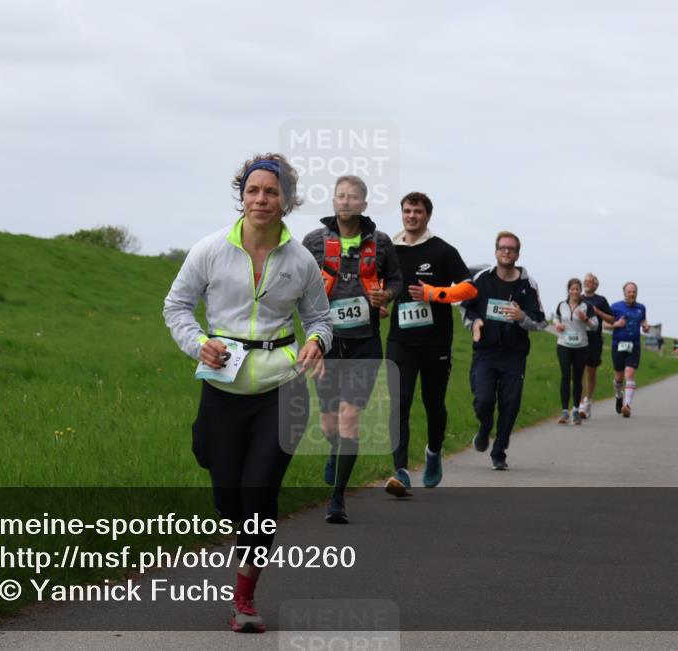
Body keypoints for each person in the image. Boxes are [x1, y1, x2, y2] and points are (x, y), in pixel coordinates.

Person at [163, 153, 332, 633]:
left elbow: (319, 319)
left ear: (287, 200)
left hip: (281, 386)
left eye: (271, 191)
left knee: (259, 495)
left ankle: (244, 600)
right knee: (228, 494)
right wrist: (199, 344)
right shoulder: (210, 250)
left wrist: (317, 341)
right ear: (242, 195)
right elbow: (176, 306)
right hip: (221, 384)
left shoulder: (301, 260)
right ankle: (228, 496)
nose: (261, 199)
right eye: (253, 190)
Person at [303, 175, 402, 523]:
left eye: (353, 197)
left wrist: (386, 295)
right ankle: (334, 452)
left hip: (365, 344)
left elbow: (397, 281)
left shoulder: (382, 242)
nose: (345, 201)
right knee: (329, 422)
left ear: (364, 204)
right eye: (340, 196)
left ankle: (337, 498)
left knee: (349, 417)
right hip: (328, 343)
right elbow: (300, 285)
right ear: (333, 201)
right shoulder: (314, 241)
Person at [382, 192, 476, 496]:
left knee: (434, 403)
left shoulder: (442, 251)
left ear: (427, 216)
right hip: (400, 340)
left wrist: (436, 294)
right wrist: (380, 304)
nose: (412, 216)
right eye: (407, 210)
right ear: (402, 214)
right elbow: (379, 286)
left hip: (436, 342)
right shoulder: (389, 249)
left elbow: (469, 288)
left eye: (418, 211)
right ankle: (400, 471)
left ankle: (434, 453)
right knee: (400, 401)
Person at [461, 231, 547, 470]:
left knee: (510, 404)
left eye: (511, 249)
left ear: (518, 254)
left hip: (514, 354)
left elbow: (540, 321)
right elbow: (466, 308)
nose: (506, 252)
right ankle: (485, 427)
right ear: (496, 251)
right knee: (484, 400)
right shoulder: (481, 279)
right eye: (502, 248)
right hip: (485, 352)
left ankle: (499, 452)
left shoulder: (527, 285)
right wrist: (475, 323)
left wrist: (521, 317)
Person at [553, 278, 599, 426]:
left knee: (577, 378)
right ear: (568, 290)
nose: (574, 291)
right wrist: (557, 324)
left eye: (577, 289)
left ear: (581, 291)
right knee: (565, 376)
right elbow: (556, 318)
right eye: (572, 289)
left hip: (581, 346)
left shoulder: (587, 306)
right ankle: (564, 412)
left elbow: (595, 326)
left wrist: (586, 320)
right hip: (564, 344)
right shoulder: (562, 305)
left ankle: (575, 410)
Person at [609, 282, 650, 418]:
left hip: (634, 345)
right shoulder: (615, 307)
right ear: (624, 293)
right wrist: (617, 324)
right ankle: (618, 395)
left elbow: (643, 320)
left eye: (634, 291)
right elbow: (605, 324)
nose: (632, 294)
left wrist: (645, 326)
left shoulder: (641, 307)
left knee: (630, 373)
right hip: (618, 345)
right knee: (619, 377)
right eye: (629, 292)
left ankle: (627, 405)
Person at [579, 273, 613, 419]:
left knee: (591, 373)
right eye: (585, 281)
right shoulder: (578, 298)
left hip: (594, 340)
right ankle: (579, 404)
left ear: (595, 284)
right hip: (579, 340)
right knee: (579, 373)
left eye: (590, 281)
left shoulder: (601, 300)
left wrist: (598, 312)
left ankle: (588, 401)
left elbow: (611, 319)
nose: (587, 283)